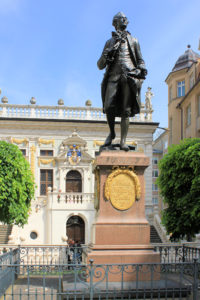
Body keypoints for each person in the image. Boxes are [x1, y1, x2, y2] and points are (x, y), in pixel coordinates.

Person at [97, 12, 147, 151]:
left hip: (129, 77)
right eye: (121, 19)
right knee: (108, 107)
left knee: (126, 110)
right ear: (115, 23)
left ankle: (123, 141)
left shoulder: (134, 40)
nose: (124, 20)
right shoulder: (109, 42)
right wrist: (106, 55)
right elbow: (100, 65)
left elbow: (140, 61)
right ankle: (112, 133)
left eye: (125, 19)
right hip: (113, 77)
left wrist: (140, 69)